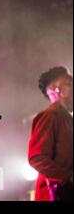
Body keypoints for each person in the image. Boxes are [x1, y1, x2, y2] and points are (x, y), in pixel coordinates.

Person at [28, 66, 73, 201]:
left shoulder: (67, 119)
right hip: (57, 193)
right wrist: (67, 177)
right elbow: (37, 158)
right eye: (69, 83)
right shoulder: (50, 116)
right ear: (56, 89)